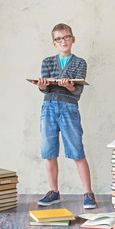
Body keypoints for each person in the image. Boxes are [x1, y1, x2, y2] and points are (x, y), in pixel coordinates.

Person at [32, 23, 97, 209]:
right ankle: (53, 191)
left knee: (77, 151)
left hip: (69, 108)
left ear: (73, 39)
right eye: (59, 39)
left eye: (66, 37)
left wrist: (69, 86)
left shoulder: (79, 63)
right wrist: (42, 86)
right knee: (48, 152)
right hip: (49, 108)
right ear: (54, 43)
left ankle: (88, 193)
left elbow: (77, 93)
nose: (63, 41)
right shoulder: (47, 62)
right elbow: (46, 90)